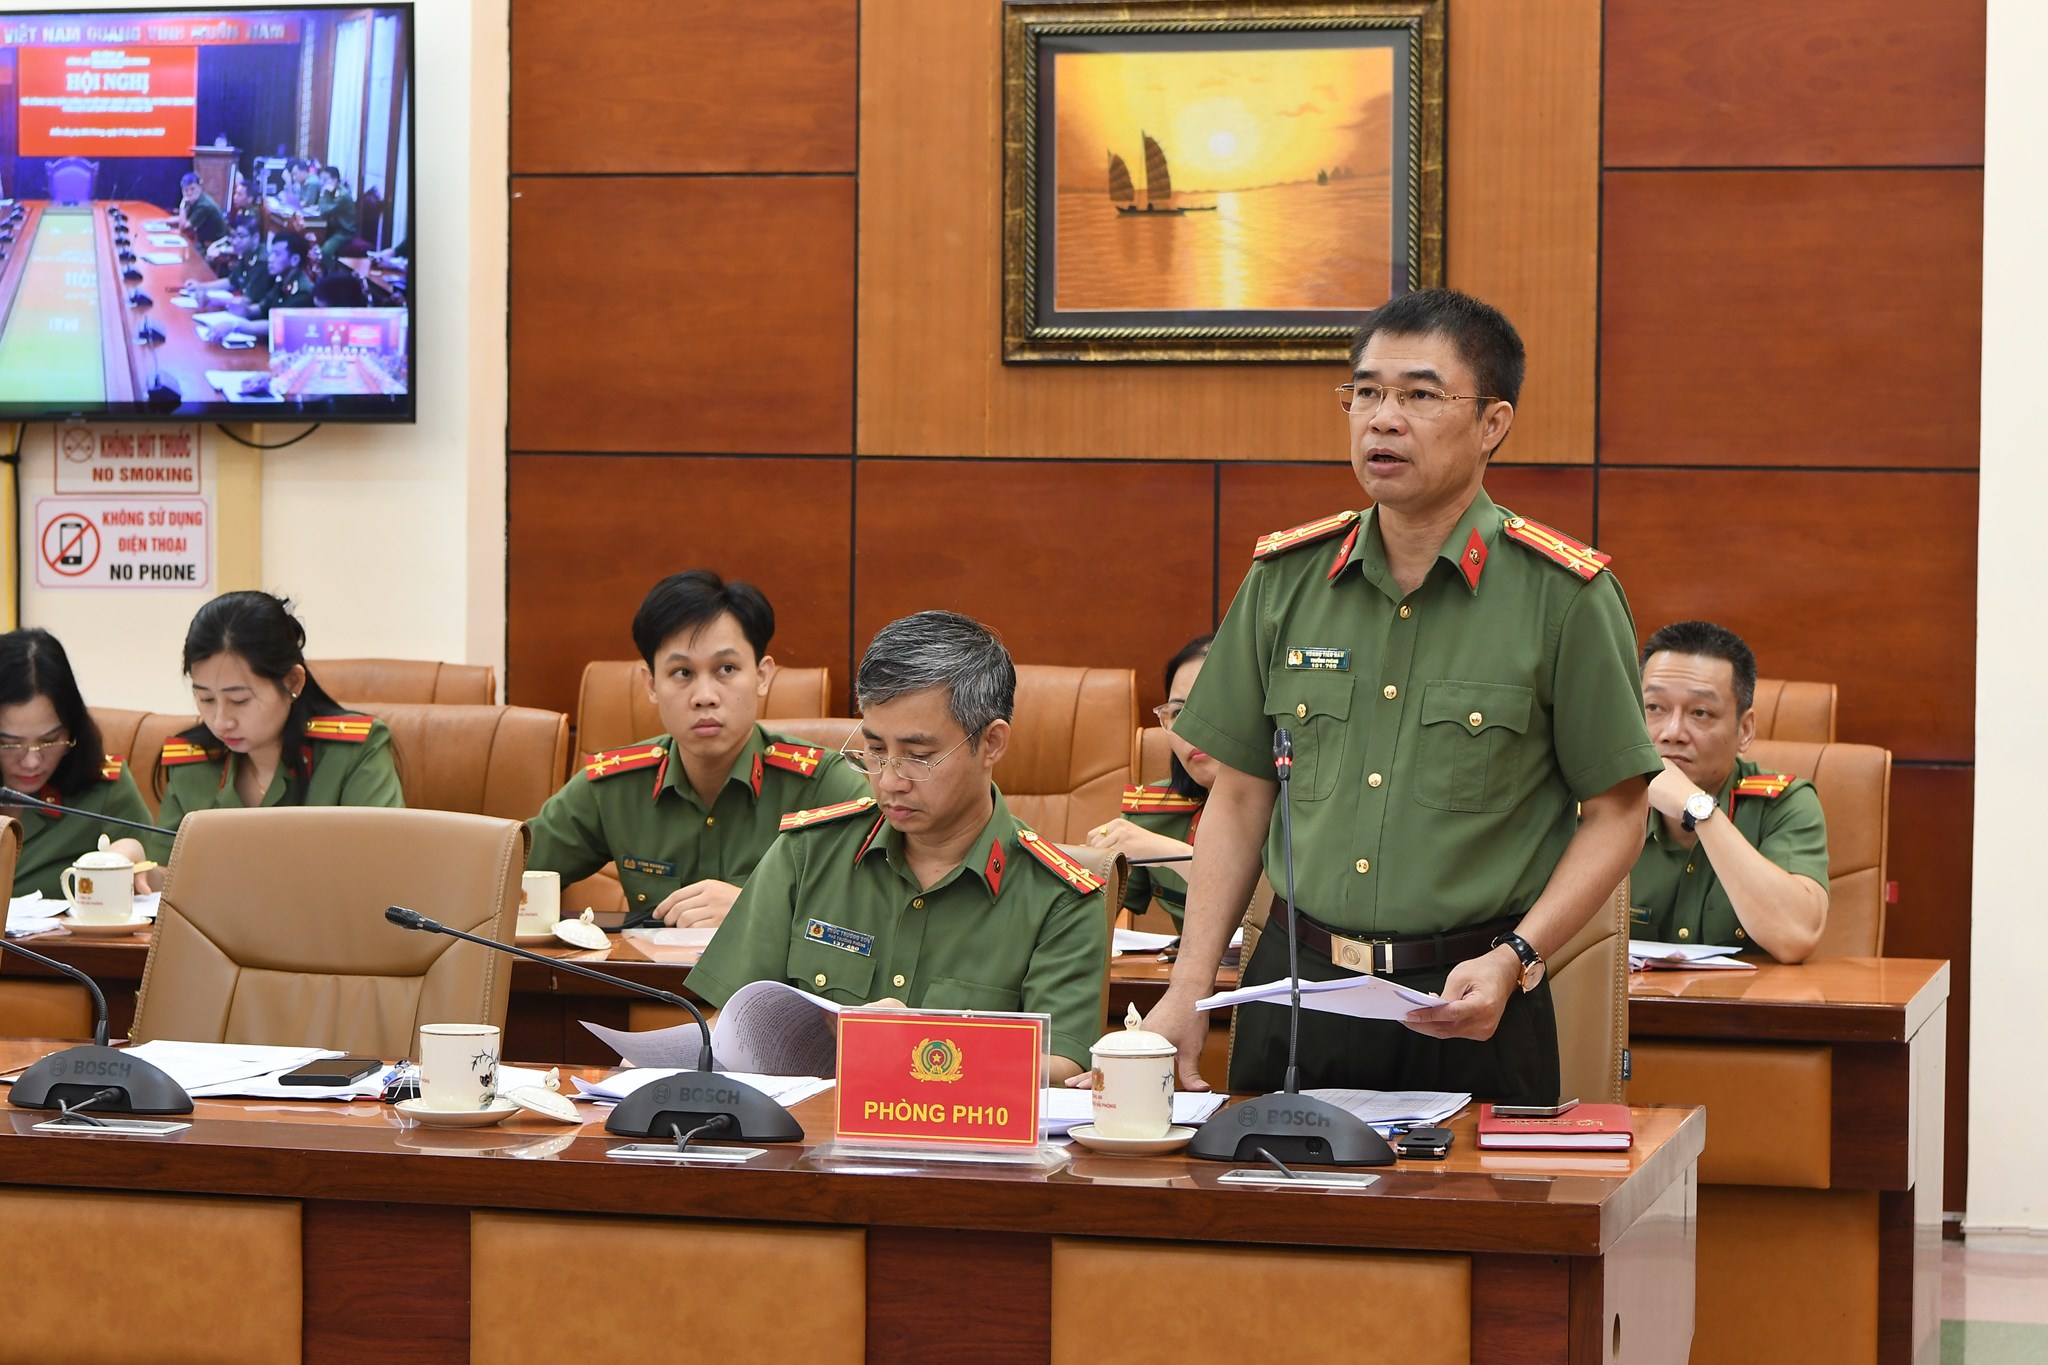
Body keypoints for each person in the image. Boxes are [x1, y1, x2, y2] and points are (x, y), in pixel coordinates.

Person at [1142, 288, 1662, 1104]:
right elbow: (1239, 796)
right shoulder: (1285, 581)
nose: (1383, 419)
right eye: (1366, 393)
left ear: (1492, 422)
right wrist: (1187, 986)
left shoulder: (1565, 596)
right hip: (1298, 992)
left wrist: (1517, 957)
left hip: (1472, 998)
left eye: (1420, 395)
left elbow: (1618, 814)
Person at [691, 611, 1111, 1082]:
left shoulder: (1059, 898)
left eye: (918, 756)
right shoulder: (808, 853)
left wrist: (921, 1043)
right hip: (806, 1125)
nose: (889, 781)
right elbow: (732, 1025)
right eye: (874, 750)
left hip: (961, 1127)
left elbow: (1062, 1067)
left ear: (992, 743)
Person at [525, 570, 867, 931]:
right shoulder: (613, 786)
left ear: (762, 676)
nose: (705, 696)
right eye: (682, 673)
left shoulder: (823, 784)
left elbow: (887, 896)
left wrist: (761, 906)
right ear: (651, 684)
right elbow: (508, 875)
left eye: (726, 669)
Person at [147, 592, 403, 862]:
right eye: (206, 699)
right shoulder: (191, 763)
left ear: (292, 682)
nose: (221, 721)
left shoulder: (354, 752)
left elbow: (384, 865)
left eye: (239, 700)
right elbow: (166, 872)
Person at [1634, 620, 1829, 961]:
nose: (1672, 732)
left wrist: (1697, 808)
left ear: (1745, 730)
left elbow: (1795, 936)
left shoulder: (1784, 804)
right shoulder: (1596, 805)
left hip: (1746, 998)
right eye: (1654, 708)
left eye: (1701, 712)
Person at [0, 629, 156, 897]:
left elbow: (163, 887)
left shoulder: (104, 790)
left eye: (50, 740)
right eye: (9, 744)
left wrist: (137, 860)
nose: (32, 761)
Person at [1087, 634, 1215, 927]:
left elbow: (1264, 911)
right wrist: (1097, 869)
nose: (1190, 729)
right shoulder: (1153, 812)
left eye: (1210, 707)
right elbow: (1093, 922)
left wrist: (1169, 853)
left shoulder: (1291, 806)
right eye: (1179, 712)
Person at [226, 235, 312, 337]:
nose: (270, 259)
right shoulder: (283, 280)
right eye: (271, 253)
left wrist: (237, 326)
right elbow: (264, 307)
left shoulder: (302, 292)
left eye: (277, 254)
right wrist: (245, 310)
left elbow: (279, 325)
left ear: (295, 260)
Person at [311, 165, 358, 262]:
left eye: (325, 180)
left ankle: (329, 270)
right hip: (332, 228)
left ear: (335, 179)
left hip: (344, 232)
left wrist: (324, 193)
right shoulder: (334, 190)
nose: (323, 183)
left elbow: (324, 211)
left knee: (324, 252)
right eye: (321, 179)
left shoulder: (342, 195)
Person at [176, 172, 227, 249]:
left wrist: (182, 206)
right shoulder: (198, 199)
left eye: (192, 189)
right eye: (186, 190)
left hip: (215, 245)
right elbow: (184, 219)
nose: (189, 193)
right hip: (204, 241)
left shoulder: (204, 205)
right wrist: (161, 221)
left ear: (199, 187)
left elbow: (183, 227)